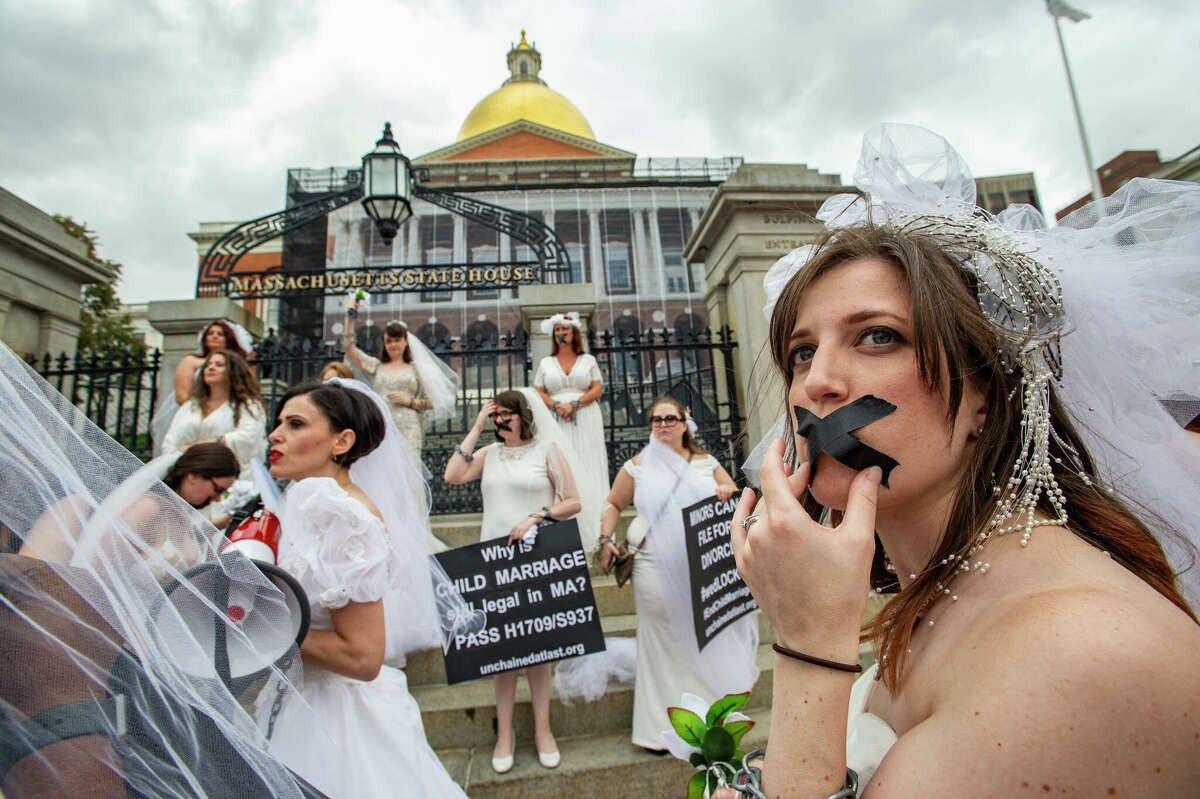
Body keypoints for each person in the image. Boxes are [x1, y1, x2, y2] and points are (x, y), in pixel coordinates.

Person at [723, 125, 1200, 797]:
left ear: (985, 392)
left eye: (877, 336)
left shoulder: (1082, 646)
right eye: (802, 351)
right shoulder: (933, 594)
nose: (816, 383)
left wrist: (806, 644)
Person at [0, 342, 326, 798]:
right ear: (191, 474)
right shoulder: (145, 509)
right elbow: (94, 586)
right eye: (215, 488)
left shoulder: (180, 515)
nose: (216, 499)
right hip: (116, 651)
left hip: (155, 644)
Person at [259, 379, 471, 799]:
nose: (275, 434)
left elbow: (362, 657)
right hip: (298, 697)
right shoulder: (307, 498)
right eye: (279, 422)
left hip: (339, 721)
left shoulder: (346, 516)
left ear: (342, 441)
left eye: (296, 424)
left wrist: (263, 625)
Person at [596, 396, 754, 752]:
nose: (663, 424)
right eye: (656, 419)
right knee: (661, 641)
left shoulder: (706, 462)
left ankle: (706, 725)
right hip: (652, 565)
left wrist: (726, 492)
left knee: (703, 639)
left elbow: (738, 504)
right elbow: (613, 503)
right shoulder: (637, 466)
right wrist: (605, 537)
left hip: (701, 568)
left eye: (670, 418)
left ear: (685, 424)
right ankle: (657, 730)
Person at [443, 388, 582, 774]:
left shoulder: (546, 451)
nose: (502, 420)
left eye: (508, 414)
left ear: (523, 415)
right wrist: (476, 427)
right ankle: (504, 733)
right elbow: (452, 475)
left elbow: (572, 501)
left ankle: (542, 730)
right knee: (501, 653)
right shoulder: (488, 454)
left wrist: (536, 517)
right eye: (496, 414)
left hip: (537, 562)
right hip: (494, 563)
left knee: (539, 652)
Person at [532, 311, 607, 555]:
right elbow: (538, 390)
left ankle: (596, 523)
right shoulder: (546, 363)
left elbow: (597, 388)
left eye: (565, 329)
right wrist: (556, 406)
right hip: (555, 419)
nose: (561, 333)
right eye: (557, 330)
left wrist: (575, 404)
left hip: (585, 417)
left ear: (574, 333)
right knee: (563, 465)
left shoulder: (588, 361)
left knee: (587, 463)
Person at [342, 303, 457, 459]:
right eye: (388, 341)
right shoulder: (376, 367)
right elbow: (350, 350)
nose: (393, 344)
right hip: (382, 425)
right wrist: (349, 319)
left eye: (397, 340)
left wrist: (408, 401)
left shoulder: (416, 370)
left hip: (408, 428)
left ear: (405, 341)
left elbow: (433, 402)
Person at [152, 318, 256, 451]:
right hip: (196, 412)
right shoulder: (191, 361)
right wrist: (201, 413)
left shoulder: (239, 365)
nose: (214, 336)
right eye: (210, 333)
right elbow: (182, 395)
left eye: (220, 334)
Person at [161, 349, 266, 480]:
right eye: (208, 365)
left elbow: (248, 438)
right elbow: (170, 441)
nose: (211, 367)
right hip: (188, 477)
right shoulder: (190, 406)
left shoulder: (249, 406)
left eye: (219, 365)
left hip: (232, 479)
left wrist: (199, 447)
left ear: (233, 371)